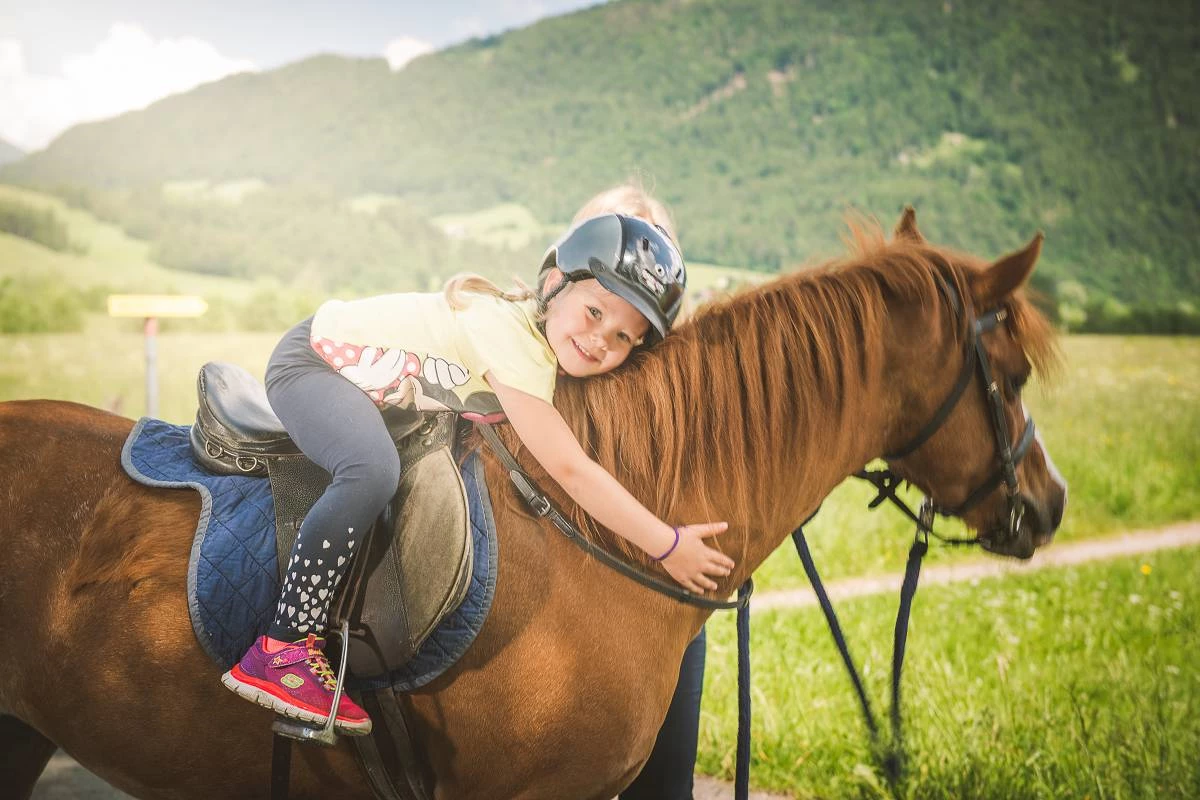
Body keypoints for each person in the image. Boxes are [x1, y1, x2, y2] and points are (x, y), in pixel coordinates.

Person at [220, 194, 735, 735]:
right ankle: (283, 646)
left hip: (353, 377)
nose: (599, 338)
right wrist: (667, 545)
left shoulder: (536, 342)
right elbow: (572, 469)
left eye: (623, 337)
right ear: (555, 283)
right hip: (313, 362)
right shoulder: (511, 341)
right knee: (370, 470)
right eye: (595, 312)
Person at [566, 184, 708, 800]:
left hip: (653, 587)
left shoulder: (667, 377)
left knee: (666, 783)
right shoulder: (548, 340)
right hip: (570, 577)